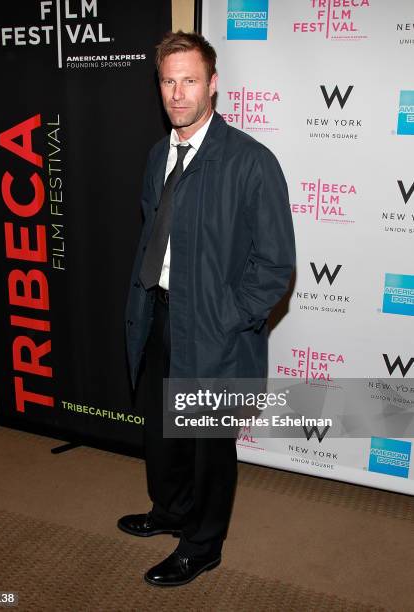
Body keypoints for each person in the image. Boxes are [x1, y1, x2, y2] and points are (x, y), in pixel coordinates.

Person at [120, 31, 295, 587]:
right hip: (158, 315)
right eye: (168, 81)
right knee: (163, 434)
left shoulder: (251, 161)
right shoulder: (157, 155)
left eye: (189, 80)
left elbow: (274, 265)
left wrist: (227, 316)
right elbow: (155, 234)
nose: (178, 93)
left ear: (212, 84)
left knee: (207, 446)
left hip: (214, 328)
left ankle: (203, 544)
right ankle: (170, 511)